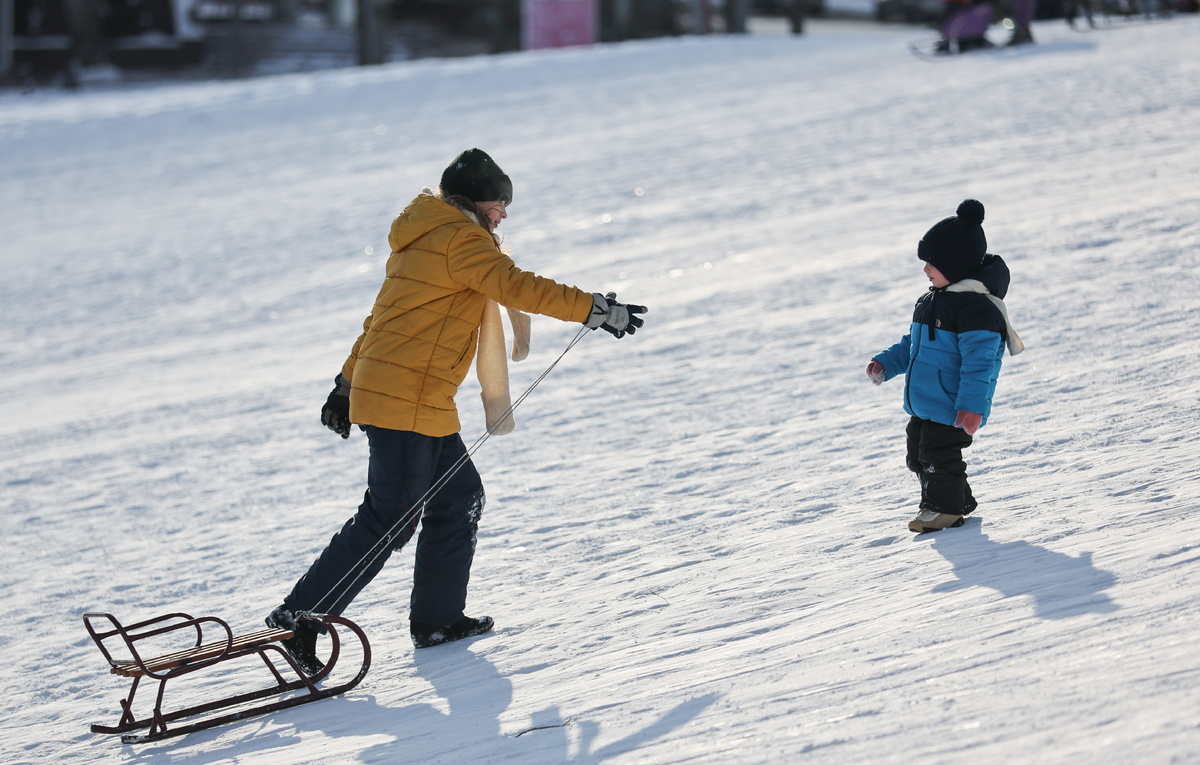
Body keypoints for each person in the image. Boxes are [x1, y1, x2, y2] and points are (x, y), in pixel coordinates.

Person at [267, 149, 646, 672]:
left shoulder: (423, 235)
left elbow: (382, 319)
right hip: (408, 396)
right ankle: (301, 615)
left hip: (415, 395)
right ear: (474, 199)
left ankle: (437, 618)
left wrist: (345, 382)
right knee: (391, 517)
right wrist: (594, 308)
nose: (504, 215)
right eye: (499, 203)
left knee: (459, 496)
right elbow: (517, 286)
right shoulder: (460, 239)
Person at [866, 199, 1023, 534]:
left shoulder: (975, 310)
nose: (926, 269)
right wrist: (886, 363)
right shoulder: (931, 301)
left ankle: (943, 509)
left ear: (955, 265)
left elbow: (981, 366)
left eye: (932, 263)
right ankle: (958, 500)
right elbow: (913, 345)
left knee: (938, 454)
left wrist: (971, 408)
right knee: (917, 453)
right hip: (926, 402)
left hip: (952, 406)